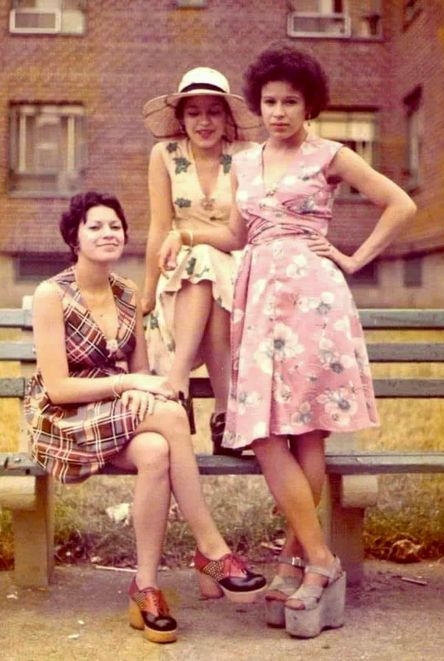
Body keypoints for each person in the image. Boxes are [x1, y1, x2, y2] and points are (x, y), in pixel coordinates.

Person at [159, 46, 417, 639]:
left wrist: (353, 259)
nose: (278, 111)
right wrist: (183, 232)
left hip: (313, 299)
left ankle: (297, 561)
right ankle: (318, 559)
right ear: (259, 105)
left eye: (290, 102)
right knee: (264, 431)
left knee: (306, 430)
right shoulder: (244, 165)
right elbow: (234, 233)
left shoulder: (330, 155)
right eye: (270, 101)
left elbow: (400, 204)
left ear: (309, 106)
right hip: (258, 298)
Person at [24, 191, 266, 645]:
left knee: (156, 449)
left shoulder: (128, 293)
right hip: (63, 418)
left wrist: (136, 388)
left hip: (114, 410)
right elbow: (57, 387)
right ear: (74, 238)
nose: (107, 233)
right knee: (172, 416)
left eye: (115, 226)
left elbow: (137, 369)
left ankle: (146, 586)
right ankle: (211, 549)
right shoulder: (51, 294)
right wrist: (130, 387)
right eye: (94, 226)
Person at [141, 66, 260, 456]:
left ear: (227, 117)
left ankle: (177, 384)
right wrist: (146, 294)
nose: (204, 121)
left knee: (208, 259)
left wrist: (192, 237)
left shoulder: (246, 156)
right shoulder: (164, 154)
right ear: (181, 118)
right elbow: (159, 226)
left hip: (236, 262)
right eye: (194, 112)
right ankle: (225, 415)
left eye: (214, 111)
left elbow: (240, 232)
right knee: (202, 269)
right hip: (179, 276)